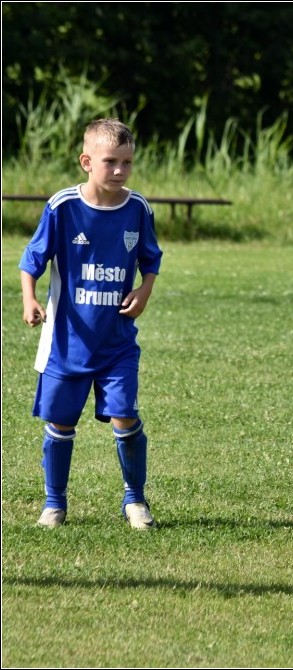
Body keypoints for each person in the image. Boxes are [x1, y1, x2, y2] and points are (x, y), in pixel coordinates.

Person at [19, 117, 163, 530]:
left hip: (117, 343)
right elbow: (33, 260)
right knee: (62, 423)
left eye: (127, 162)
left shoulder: (137, 209)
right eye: (110, 162)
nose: (120, 171)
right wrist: (30, 300)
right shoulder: (63, 207)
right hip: (67, 342)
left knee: (124, 416)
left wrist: (144, 290)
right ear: (86, 161)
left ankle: (135, 501)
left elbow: (151, 259)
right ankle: (54, 504)